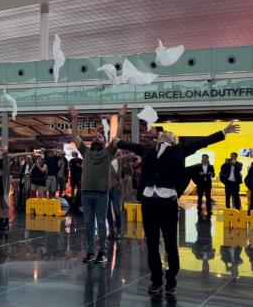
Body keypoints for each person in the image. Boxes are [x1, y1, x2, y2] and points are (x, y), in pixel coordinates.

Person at [117, 120, 239, 296]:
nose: (166, 132)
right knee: (151, 244)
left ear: (173, 140)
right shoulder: (148, 150)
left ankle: (171, 281)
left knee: (170, 244)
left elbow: (201, 142)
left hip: (168, 204)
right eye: (165, 132)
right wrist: (117, 141)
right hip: (149, 203)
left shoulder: (178, 150)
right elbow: (129, 145)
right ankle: (156, 281)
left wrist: (224, 132)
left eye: (170, 133)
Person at [69, 104, 126, 265]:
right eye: (95, 136)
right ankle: (90, 251)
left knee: (101, 222)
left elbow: (118, 137)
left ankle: (102, 251)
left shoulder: (108, 152)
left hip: (101, 193)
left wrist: (121, 117)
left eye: (100, 137)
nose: (97, 137)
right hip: (86, 193)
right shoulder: (86, 152)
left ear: (104, 142)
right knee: (87, 223)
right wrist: (74, 118)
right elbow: (75, 136)